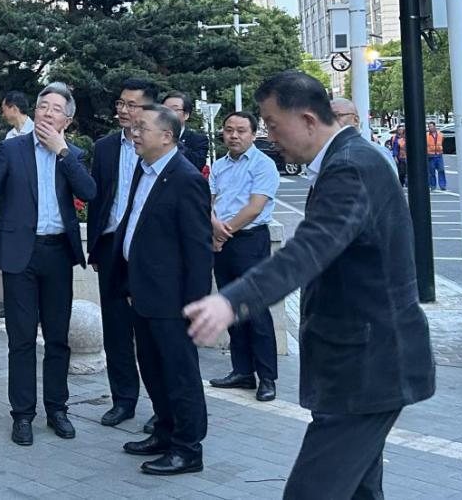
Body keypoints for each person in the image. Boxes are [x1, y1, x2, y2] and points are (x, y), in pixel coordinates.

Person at [184, 71, 435, 500]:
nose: (269, 136)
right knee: (359, 492)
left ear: (306, 119)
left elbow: (309, 250)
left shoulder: (351, 166)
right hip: (358, 366)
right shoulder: (346, 159)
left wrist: (232, 302)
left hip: (367, 369)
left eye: (272, 123)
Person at [0, 82, 97, 446]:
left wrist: (62, 152)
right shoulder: (12, 149)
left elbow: (89, 192)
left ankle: (57, 409)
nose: (47, 113)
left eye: (56, 109)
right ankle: (22, 414)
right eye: (43, 106)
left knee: (57, 338)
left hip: (57, 255)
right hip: (18, 255)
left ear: (66, 121)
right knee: (21, 339)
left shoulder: (73, 153)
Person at [110, 104, 212, 476]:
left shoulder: (186, 178)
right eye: (134, 127)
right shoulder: (145, 168)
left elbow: (198, 249)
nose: (134, 133)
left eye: (142, 128)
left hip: (173, 299)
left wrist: (195, 305)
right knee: (153, 369)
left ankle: (188, 448)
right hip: (142, 291)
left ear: (167, 136)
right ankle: (165, 431)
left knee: (180, 374)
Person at [86, 77, 158, 427]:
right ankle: (123, 400)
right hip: (112, 247)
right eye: (120, 103)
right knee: (116, 330)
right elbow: (98, 199)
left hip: (149, 251)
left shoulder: (161, 145)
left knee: (152, 332)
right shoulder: (105, 147)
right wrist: (95, 248)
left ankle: (162, 406)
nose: (124, 110)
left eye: (132, 104)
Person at [207, 111, 280, 402]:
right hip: (222, 242)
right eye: (229, 130)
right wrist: (215, 228)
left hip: (250, 241)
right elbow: (209, 202)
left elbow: (255, 207)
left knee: (256, 310)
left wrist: (222, 234)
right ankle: (242, 371)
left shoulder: (263, 165)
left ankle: (267, 377)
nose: (234, 135)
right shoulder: (219, 166)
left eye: (240, 130)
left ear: (252, 134)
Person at [331, 98, 398, 175]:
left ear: (356, 120)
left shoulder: (378, 152)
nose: (329, 122)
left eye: (336, 116)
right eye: (325, 117)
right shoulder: (326, 155)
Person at [162, 91, 210, 171]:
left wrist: (173, 140)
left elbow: (197, 164)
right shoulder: (152, 136)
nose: (168, 113)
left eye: (174, 109)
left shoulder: (198, 139)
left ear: (186, 115)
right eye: (164, 109)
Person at [427, 121, 447, 191]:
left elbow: (442, 142)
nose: (430, 128)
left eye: (431, 126)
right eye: (429, 127)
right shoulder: (427, 135)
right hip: (430, 156)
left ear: (435, 126)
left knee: (441, 170)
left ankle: (442, 185)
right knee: (431, 172)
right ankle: (433, 186)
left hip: (439, 155)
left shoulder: (441, 135)